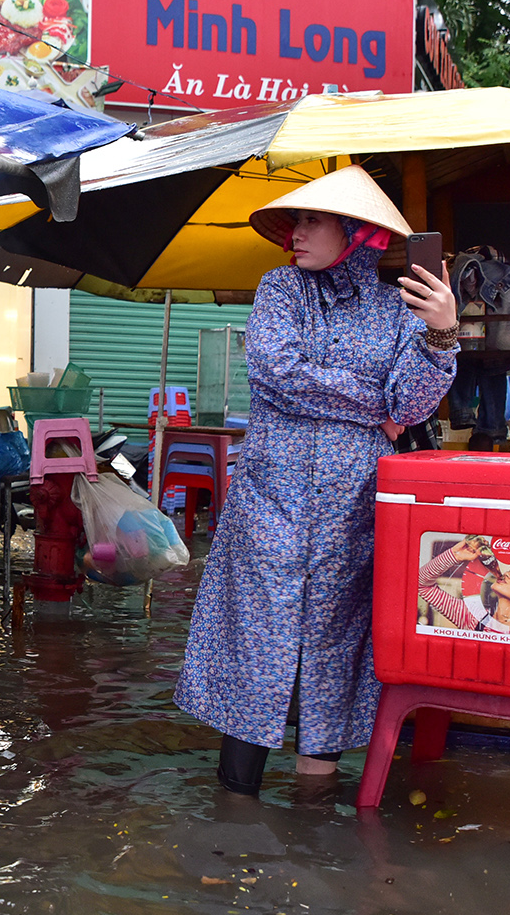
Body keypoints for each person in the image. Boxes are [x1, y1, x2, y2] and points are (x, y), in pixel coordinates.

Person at [176, 165, 459, 795]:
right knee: (259, 635)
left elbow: (411, 405)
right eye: (296, 221)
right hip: (268, 500)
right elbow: (278, 371)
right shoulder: (279, 290)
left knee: (334, 645)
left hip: (350, 508)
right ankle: (236, 804)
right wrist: (373, 408)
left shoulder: (399, 311)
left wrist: (442, 335)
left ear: (356, 232)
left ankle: (314, 811)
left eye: (311, 220)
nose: (295, 234)